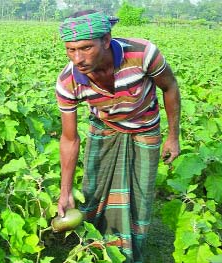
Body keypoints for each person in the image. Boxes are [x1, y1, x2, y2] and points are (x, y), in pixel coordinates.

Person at [55, 10, 181, 262]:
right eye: (71, 50)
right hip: (105, 128)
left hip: (145, 127)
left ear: (106, 40)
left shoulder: (143, 54)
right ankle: (96, 245)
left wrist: (173, 136)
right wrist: (65, 190)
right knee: (94, 189)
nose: (78, 58)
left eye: (85, 48)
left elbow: (170, 87)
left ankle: (130, 249)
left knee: (139, 193)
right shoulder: (69, 81)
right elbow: (69, 138)